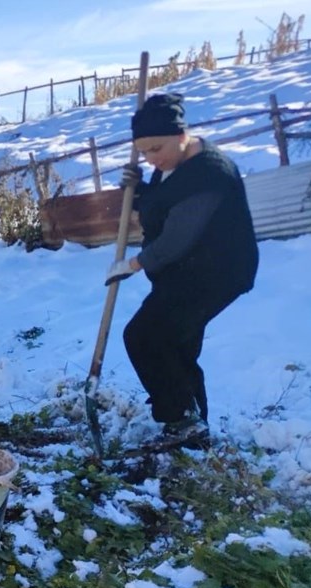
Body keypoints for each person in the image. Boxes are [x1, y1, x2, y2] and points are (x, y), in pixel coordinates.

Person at [106, 92, 258, 444]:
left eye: (156, 149)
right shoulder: (173, 166)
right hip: (186, 270)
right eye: (143, 151)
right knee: (176, 345)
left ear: (180, 136)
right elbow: (164, 204)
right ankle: (192, 423)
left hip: (214, 273)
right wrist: (139, 189)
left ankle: (181, 417)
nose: (150, 158)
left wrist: (130, 264)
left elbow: (178, 236)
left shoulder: (209, 173)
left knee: (145, 336)